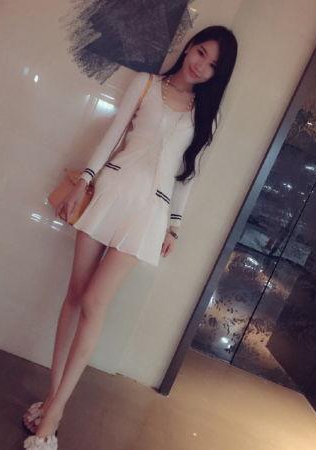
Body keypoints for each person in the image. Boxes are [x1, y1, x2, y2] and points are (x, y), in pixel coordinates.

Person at [22, 25, 238, 449]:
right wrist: (85, 181)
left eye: (213, 65)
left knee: (94, 302)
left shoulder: (205, 115)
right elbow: (113, 135)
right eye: (200, 52)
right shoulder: (146, 85)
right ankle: (51, 400)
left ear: (218, 74)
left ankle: (55, 412)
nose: (201, 66)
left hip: (149, 213)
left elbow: (188, 177)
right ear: (189, 49)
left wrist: (174, 225)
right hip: (111, 193)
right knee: (75, 295)